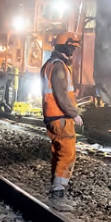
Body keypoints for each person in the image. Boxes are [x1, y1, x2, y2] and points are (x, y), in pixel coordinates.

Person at [41, 32, 84, 211]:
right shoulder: (58, 66)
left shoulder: (49, 64)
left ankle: (56, 193)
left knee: (58, 155)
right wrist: (74, 113)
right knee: (67, 154)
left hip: (52, 116)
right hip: (61, 117)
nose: (73, 51)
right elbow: (61, 94)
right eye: (72, 47)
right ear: (65, 47)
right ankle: (57, 196)